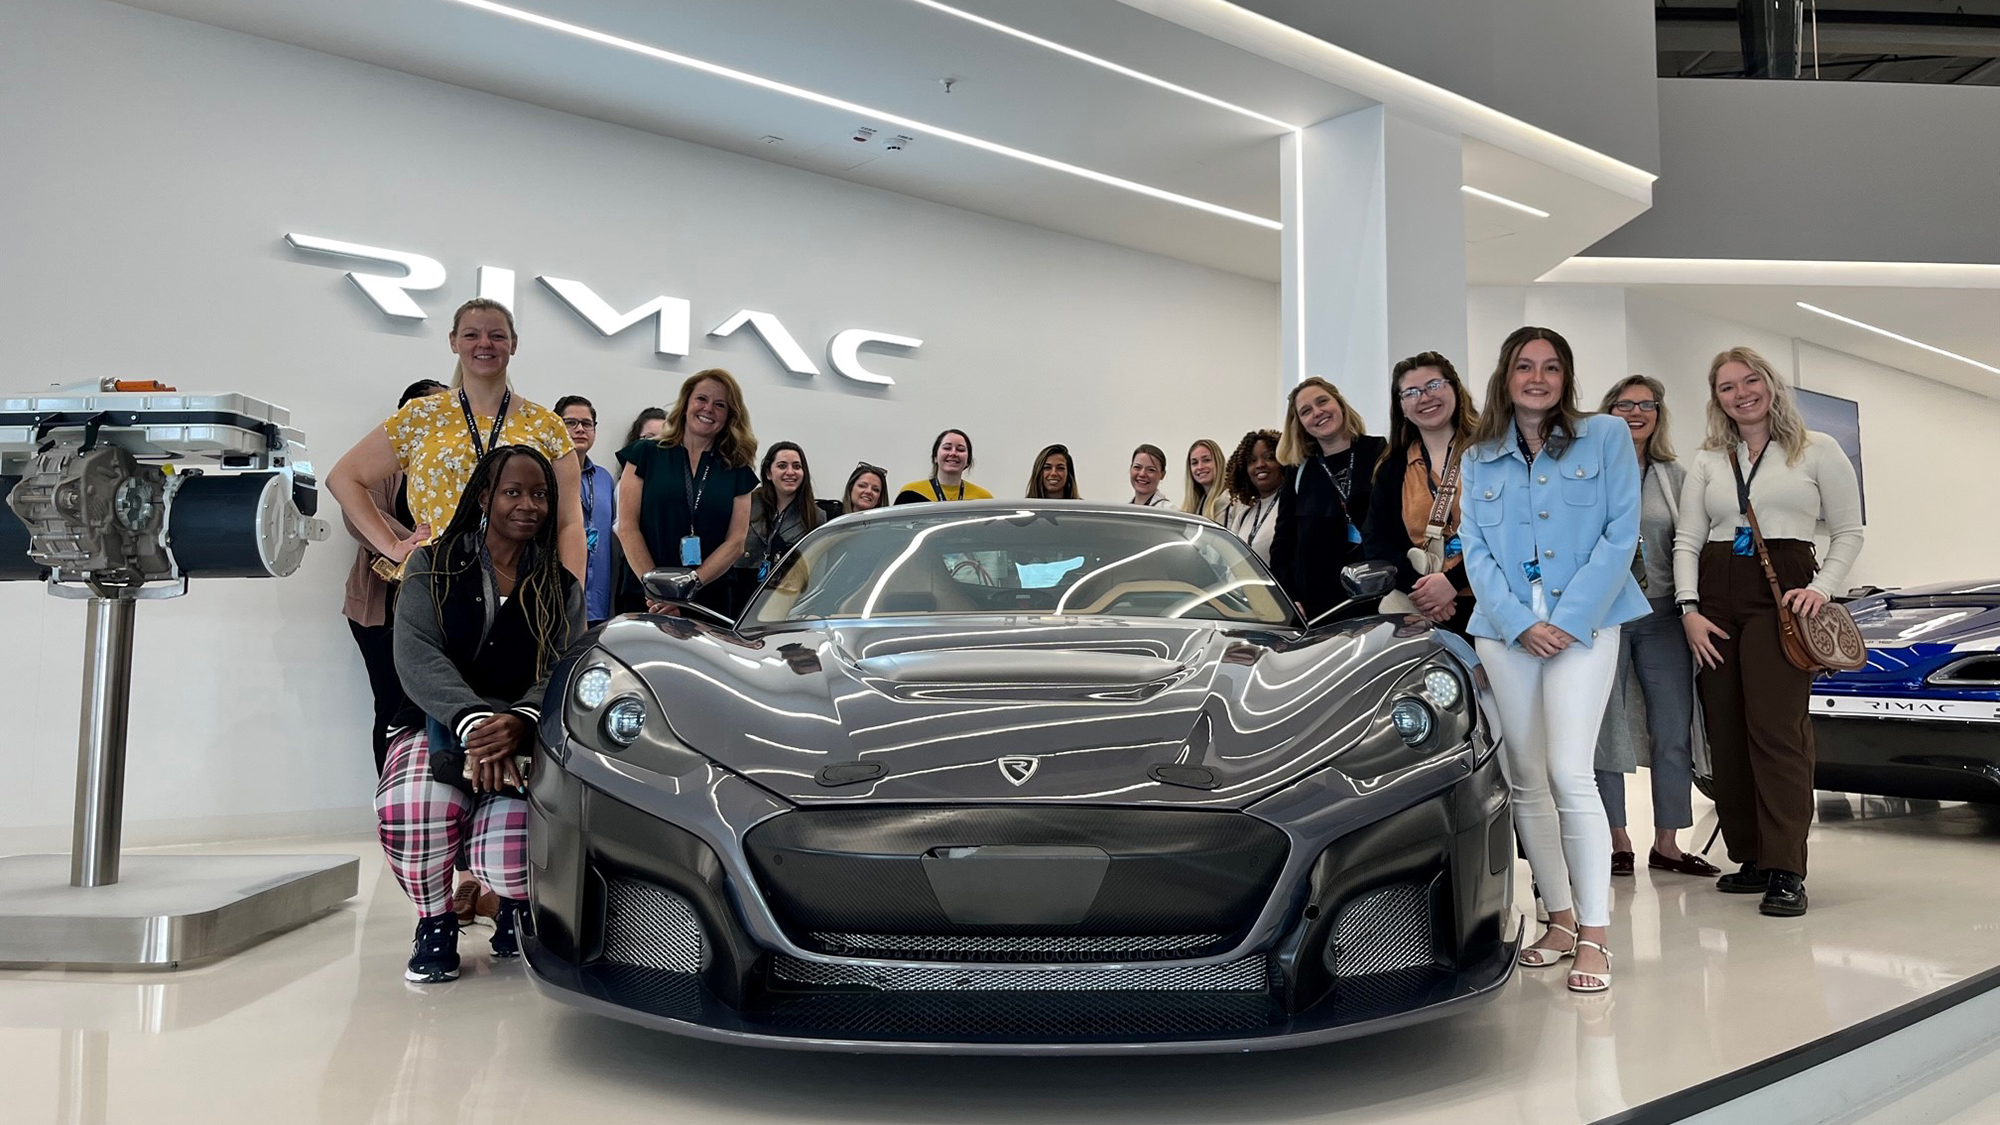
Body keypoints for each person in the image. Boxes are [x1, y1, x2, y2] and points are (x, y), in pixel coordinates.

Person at [1458, 326, 1649, 994]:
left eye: (1550, 367)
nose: (1537, 378)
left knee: (1572, 771)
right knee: (1526, 778)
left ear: (1567, 377)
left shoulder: (1606, 436)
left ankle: (1596, 932)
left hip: (1586, 622)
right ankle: (1560, 919)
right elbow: (1472, 546)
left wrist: (1565, 622)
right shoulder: (1479, 453)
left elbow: (1621, 532)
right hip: (1505, 627)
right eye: (1523, 366)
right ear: (1505, 376)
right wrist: (1517, 621)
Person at [378, 445, 584, 984]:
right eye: (513, 492)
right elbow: (416, 653)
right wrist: (470, 721)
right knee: (414, 813)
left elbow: (565, 666)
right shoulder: (433, 563)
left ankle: (513, 907)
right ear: (485, 496)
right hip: (436, 721)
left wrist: (519, 721)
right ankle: (436, 920)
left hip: (519, 732)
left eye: (540, 494)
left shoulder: (560, 585)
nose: (528, 505)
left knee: (516, 856)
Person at [1674, 347, 1863, 917]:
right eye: (1727, 387)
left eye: (1750, 380)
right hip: (1714, 597)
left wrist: (1822, 589)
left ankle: (1787, 868)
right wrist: (1689, 607)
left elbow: (1850, 531)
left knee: (1777, 732)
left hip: (1784, 593)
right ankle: (1750, 855)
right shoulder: (1711, 458)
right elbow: (1687, 537)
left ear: (1771, 385)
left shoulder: (1817, 450)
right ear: (1718, 399)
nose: (1741, 393)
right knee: (1726, 731)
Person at [327, 298, 583, 579]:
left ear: (513, 344)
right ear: (453, 342)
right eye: (472, 334)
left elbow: (569, 523)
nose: (484, 343)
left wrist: (572, 599)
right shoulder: (421, 416)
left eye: (496, 335)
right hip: (436, 579)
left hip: (522, 583)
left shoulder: (546, 426)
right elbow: (343, 477)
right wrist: (392, 546)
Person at [1591, 376, 1717, 879]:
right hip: (1605, 615)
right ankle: (1616, 838)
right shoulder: (1587, 472)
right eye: (1626, 404)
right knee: (1605, 727)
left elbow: (1693, 544)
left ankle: (1667, 842)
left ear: (1659, 414)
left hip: (1664, 615)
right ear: (1608, 412)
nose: (1637, 412)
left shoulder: (1676, 475)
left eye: (1647, 405)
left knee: (1672, 728)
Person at [343, 379, 446, 773]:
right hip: (380, 608)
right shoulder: (380, 463)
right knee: (391, 704)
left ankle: (425, 799)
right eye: (426, 411)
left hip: (437, 607)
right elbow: (359, 516)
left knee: (429, 705)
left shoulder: (453, 465)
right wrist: (419, 549)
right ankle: (391, 803)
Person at [616, 369, 759, 618]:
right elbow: (628, 528)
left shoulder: (737, 468)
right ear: (686, 404)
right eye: (701, 399)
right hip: (646, 597)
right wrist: (659, 591)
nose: (708, 409)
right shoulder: (644, 454)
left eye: (720, 405)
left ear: (729, 416)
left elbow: (736, 542)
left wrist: (686, 589)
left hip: (708, 600)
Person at [1363, 352, 1479, 635]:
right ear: (1401, 406)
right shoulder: (1392, 468)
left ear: (1454, 388)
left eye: (1434, 385)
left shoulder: (1490, 453)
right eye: (1411, 392)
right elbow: (1377, 542)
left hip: (1489, 603)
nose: (1425, 397)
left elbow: (1509, 531)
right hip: (1423, 611)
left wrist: (1451, 583)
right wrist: (1424, 593)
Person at [1271, 378, 1386, 620]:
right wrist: (1287, 597)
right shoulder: (1299, 470)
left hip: (1376, 595)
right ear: (1300, 424)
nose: (1318, 412)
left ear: (1340, 403)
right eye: (1306, 411)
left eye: (1322, 401)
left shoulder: (1378, 451)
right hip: (1317, 605)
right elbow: (1283, 542)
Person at [554, 395, 617, 627]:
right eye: (570, 423)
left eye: (586, 423)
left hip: (599, 603)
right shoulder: (545, 474)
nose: (580, 429)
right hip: (557, 599)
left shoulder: (604, 479)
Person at [735, 441, 824, 603]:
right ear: (769, 473)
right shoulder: (747, 503)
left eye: (797, 466)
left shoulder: (816, 517)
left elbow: (817, 574)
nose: (790, 472)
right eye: (782, 466)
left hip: (785, 600)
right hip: (738, 593)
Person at [1219, 429, 1284, 565]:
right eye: (1252, 461)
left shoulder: (1292, 506)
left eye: (1269, 457)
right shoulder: (1243, 517)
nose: (1260, 464)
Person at [894, 429, 991, 503]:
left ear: (968, 461)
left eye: (960, 449)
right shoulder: (910, 494)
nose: (953, 453)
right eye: (947, 448)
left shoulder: (983, 498)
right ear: (935, 457)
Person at [1181, 439, 1228, 521]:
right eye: (1194, 463)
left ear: (1219, 462)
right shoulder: (1191, 508)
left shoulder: (1233, 502)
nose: (1200, 467)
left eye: (1206, 460)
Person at [823, 463, 888, 521]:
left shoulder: (885, 525)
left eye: (875, 489)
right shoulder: (828, 514)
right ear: (850, 488)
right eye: (862, 486)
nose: (868, 491)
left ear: (880, 498)